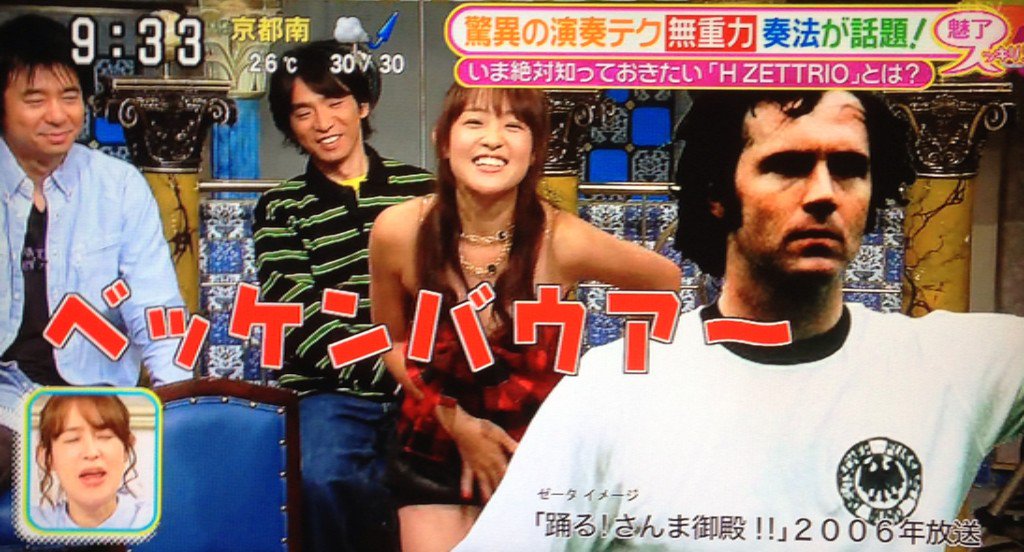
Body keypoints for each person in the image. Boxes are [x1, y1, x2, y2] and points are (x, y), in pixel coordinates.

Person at [456, 90, 1024, 550]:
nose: (824, 194)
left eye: (849, 169)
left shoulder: (952, 365)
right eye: (788, 167)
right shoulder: (612, 390)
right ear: (717, 193)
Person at [369, 84, 682, 551]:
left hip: (536, 447)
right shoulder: (398, 230)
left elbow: (665, 281)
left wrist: (600, 381)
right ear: (443, 140)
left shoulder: (564, 239)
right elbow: (389, 339)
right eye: (474, 122)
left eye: (513, 126)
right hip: (434, 438)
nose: (493, 139)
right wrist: (458, 424)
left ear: (535, 151)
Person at [255, 39, 433, 552]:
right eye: (303, 112)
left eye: (335, 102)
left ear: (363, 104)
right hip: (329, 390)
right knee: (321, 476)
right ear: (290, 125)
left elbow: (445, 295)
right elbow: (298, 314)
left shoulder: (422, 191)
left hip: (425, 383)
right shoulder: (281, 207)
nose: (322, 122)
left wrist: (425, 375)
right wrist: (391, 367)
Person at [0, 15, 188, 486]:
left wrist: (182, 402)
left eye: (69, 97)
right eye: (35, 100)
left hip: (96, 398)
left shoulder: (118, 186)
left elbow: (156, 308)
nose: (57, 115)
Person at [31, 394, 150, 530]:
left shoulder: (155, 520)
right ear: (46, 457)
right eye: (72, 439)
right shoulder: (30, 525)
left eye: (105, 436)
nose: (91, 453)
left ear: (127, 448)